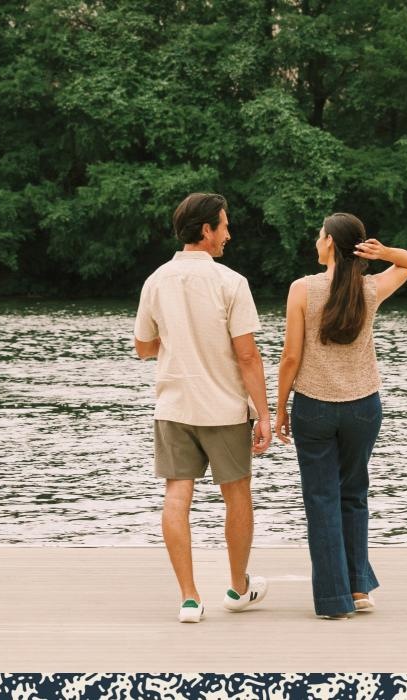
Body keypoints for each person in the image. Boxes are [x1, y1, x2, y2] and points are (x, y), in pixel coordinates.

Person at [134, 192, 274, 623]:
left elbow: (143, 348)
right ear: (206, 230)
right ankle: (237, 587)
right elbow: (248, 355)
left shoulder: (156, 280)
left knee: (177, 494)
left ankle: (190, 599)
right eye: (224, 226)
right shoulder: (231, 282)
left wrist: (176, 340)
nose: (228, 234)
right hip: (225, 408)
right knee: (237, 496)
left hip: (174, 404)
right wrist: (265, 414)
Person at [273, 212, 407, 619]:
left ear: (331, 244)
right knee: (353, 494)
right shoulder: (370, 288)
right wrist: (383, 251)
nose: (316, 242)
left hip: (314, 407)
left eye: (320, 236)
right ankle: (358, 590)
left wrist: (280, 406)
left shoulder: (302, 289)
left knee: (322, 500)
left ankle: (334, 600)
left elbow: (290, 357)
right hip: (363, 408)